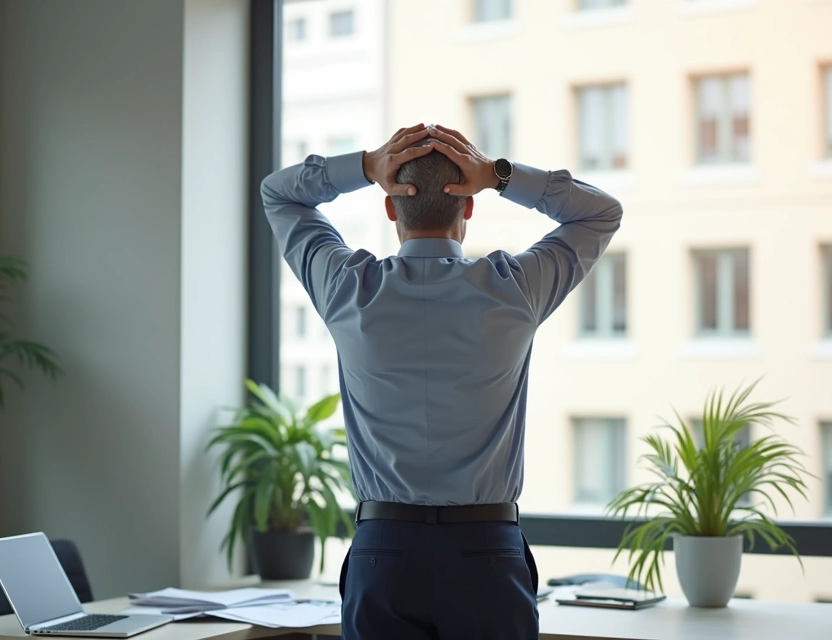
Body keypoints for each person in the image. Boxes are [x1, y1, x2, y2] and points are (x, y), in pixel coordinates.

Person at [261, 123, 623, 639]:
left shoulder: (348, 289)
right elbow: (601, 211)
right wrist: (499, 175)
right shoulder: (513, 290)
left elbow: (279, 194)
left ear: (391, 208)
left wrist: (366, 166)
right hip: (487, 556)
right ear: (468, 207)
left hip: (383, 554)